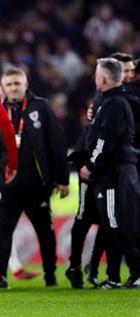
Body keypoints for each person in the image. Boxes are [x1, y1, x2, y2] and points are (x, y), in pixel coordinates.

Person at [0, 67, 70, 289]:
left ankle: (50, 274)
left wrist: (63, 179)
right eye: (10, 84)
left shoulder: (40, 107)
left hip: (37, 184)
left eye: (17, 83)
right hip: (6, 186)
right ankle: (0, 277)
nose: (14, 88)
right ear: (3, 87)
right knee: (3, 231)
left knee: (45, 231)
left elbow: (57, 143)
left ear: (25, 85)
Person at [80, 58, 140, 289]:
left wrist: (90, 165)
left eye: (97, 74)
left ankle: (136, 270)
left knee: (115, 223)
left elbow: (105, 141)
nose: (95, 78)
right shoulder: (108, 101)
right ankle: (114, 277)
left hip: (113, 172)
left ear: (103, 79)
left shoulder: (114, 104)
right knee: (110, 224)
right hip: (113, 170)